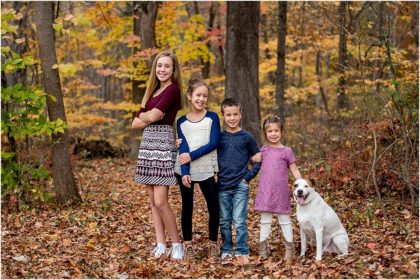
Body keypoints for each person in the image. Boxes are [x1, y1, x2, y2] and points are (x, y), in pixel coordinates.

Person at [131, 51, 184, 260]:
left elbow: (152, 116)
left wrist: (147, 116)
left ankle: (177, 245)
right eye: (159, 65)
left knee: (162, 201)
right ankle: (161, 244)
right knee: (152, 201)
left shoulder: (172, 90)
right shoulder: (152, 91)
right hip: (147, 144)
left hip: (162, 144)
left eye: (167, 66)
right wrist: (149, 116)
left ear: (173, 69)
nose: (162, 69)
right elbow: (135, 124)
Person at [174, 79, 220, 261]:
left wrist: (192, 156)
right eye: (198, 95)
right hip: (186, 171)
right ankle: (188, 246)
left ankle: (213, 244)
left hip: (206, 168)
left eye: (204, 96)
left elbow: (214, 143)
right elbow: (182, 149)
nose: (201, 99)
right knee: (187, 207)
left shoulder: (212, 117)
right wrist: (185, 171)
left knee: (214, 206)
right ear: (189, 96)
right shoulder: (181, 121)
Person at [217, 98, 261, 265]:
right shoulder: (219, 138)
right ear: (223, 116)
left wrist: (247, 178)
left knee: (240, 221)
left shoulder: (247, 137)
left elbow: (258, 159)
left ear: (240, 114)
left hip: (240, 185)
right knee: (225, 221)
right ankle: (227, 250)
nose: (232, 118)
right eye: (228, 115)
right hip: (222, 185)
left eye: (235, 114)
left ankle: (242, 250)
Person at [255, 115, 302, 261]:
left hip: (281, 192)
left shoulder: (286, 151)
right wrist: (252, 158)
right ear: (265, 133)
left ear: (281, 131)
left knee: (284, 219)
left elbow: (294, 169)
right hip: (266, 191)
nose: (273, 134)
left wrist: (301, 182)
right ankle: (263, 247)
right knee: (265, 220)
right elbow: (253, 161)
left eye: (276, 130)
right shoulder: (263, 150)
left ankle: (290, 247)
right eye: (270, 131)